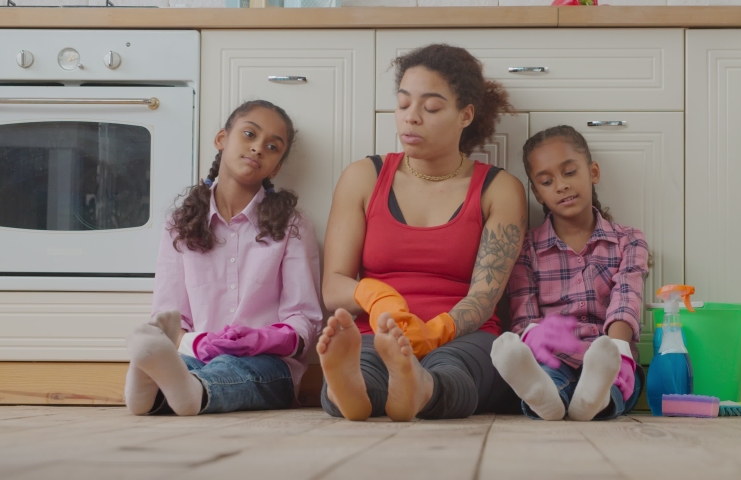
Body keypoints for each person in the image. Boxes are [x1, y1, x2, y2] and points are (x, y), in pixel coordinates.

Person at [317, 44, 527, 421]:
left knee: (454, 370)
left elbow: (484, 297)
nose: (410, 118)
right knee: (366, 361)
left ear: (465, 115)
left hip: (465, 335)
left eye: (430, 108)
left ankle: (420, 387)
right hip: (379, 331)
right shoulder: (364, 177)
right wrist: (379, 297)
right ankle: (354, 393)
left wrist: (433, 333)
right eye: (402, 105)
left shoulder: (499, 189)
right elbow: (334, 286)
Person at [124, 100, 323, 416]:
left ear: (276, 167)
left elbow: (305, 320)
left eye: (272, 147)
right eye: (249, 134)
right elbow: (169, 316)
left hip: (270, 364)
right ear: (221, 140)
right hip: (197, 355)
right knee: (185, 365)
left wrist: (261, 339)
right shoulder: (179, 224)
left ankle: (172, 394)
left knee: (237, 369)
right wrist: (201, 344)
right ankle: (162, 392)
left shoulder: (293, 226)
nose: (258, 148)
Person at [491, 125, 649, 421]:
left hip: (610, 357)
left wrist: (616, 349)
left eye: (569, 173)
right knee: (548, 378)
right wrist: (534, 339)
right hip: (553, 357)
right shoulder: (526, 248)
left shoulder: (629, 240)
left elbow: (627, 300)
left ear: (593, 172)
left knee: (616, 382)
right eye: (547, 181)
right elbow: (524, 316)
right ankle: (548, 399)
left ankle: (596, 398)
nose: (561, 186)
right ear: (537, 193)